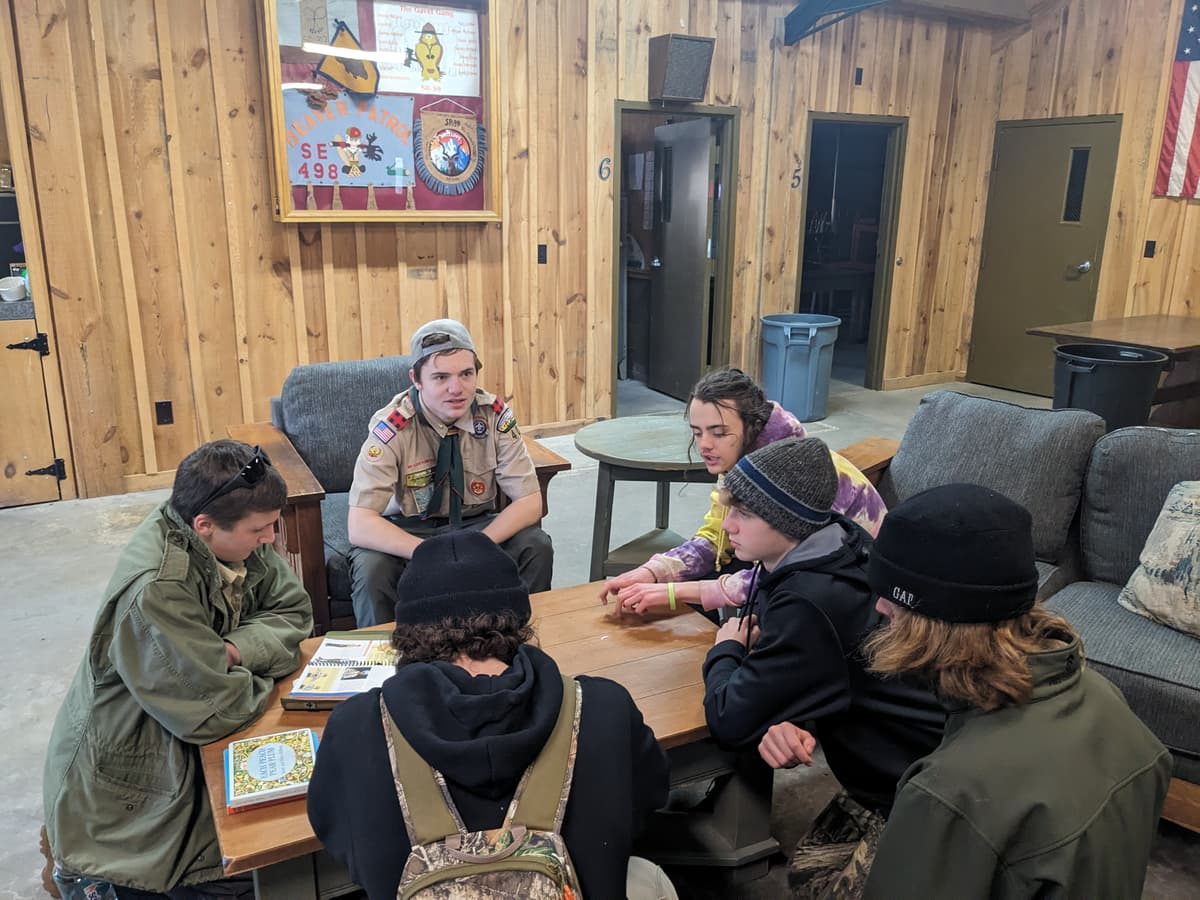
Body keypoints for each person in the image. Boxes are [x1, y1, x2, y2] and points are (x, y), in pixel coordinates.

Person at [308, 530, 674, 900]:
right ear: (519, 619)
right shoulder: (603, 708)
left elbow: (344, 845)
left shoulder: (355, 727)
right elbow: (646, 803)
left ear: (405, 632)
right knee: (646, 877)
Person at [862, 483, 1172, 900]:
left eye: (891, 593)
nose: (879, 606)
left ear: (931, 617)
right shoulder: (1108, 700)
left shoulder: (949, 793)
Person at [43, 440, 314, 899]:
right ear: (204, 526)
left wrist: (230, 652)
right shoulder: (156, 589)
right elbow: (215, 713)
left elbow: (294, 611)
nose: (271, 539)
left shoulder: (230, 532)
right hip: (129, 807)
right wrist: (257, 661)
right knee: (260, 874)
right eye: (260, 531)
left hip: (179, 735)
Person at [700, 437, 944, 899]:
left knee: (817, 885)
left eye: (744, 514)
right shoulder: (834, 541)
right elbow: (829, 664)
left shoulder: (811, 604)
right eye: (729, 507)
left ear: (788, 521)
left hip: (916, 784)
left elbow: (730, 718)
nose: (727, 524)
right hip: (907, 751)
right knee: (810, 868)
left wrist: (726, 649)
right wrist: (791, 706)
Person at [601, 367, 885, 616]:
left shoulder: (791, 479)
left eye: (719, 432)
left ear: (753, 426)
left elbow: (794, 576)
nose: (705, 445)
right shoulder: (746, 459)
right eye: (697, 432)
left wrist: (677, 592)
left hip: (853, 591)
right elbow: (717, 536)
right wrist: (653, 572)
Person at [347, 318, 553, 626]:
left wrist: (476, 546)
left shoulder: (494, 416)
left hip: (478, 527)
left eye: (466, 374)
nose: (456, 389)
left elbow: (530, 502)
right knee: (371, 568)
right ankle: (387, 663)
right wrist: (432, 555)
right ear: (416, 379)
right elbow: (360, 524)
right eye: (440, 377)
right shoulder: (391, 428)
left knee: (536, 546)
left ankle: (522, 648)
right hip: (410, 531)